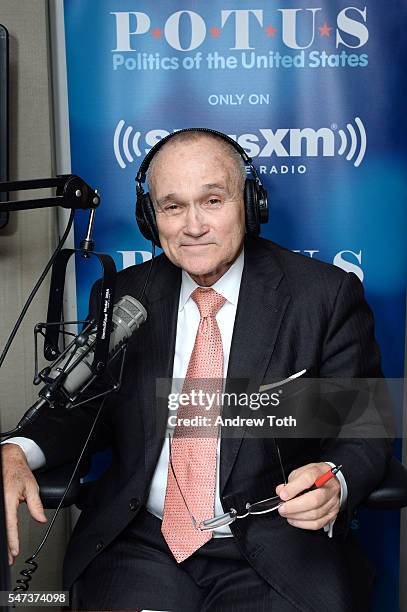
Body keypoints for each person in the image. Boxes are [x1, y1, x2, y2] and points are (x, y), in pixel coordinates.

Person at [1, 129, 391, 611]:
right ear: (151, 218)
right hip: (141, 544)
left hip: (272, 540)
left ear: (249, 202)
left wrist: (335, 479)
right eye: (172, 206)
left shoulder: (323, 295)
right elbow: (85, 409)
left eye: (212, 200)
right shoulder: (125, 295)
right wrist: (17, 449)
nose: (193, 225)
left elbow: (362, 428)